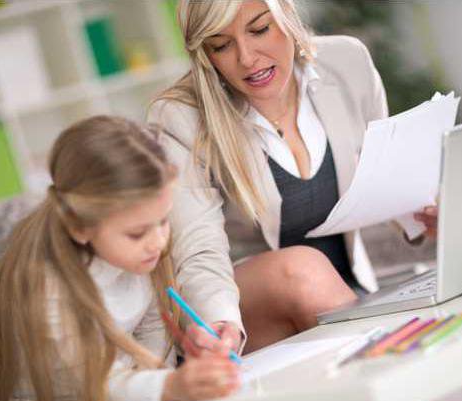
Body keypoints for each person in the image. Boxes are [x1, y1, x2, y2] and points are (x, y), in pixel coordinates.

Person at [148, 0, 437, 353]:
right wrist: (218, 321)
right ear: (206, 55)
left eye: (259, 30)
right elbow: (198, 246)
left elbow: (385, 176)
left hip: (342, 294)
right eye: (221, 45)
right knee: (303, 268)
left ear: (285, 13)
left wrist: (425, 214)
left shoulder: (347, 62)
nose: (246, 58)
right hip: (239, 308)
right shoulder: (180, 117)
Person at [0, 116, 243, 401]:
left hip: (122, 395)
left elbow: (152, 327)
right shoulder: (46, 287)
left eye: (163, 220)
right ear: (79, 226)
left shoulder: (136, 254)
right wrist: (170, 387)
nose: (158, 242)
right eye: (137, 233)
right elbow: (97, 383)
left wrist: (165, 378)